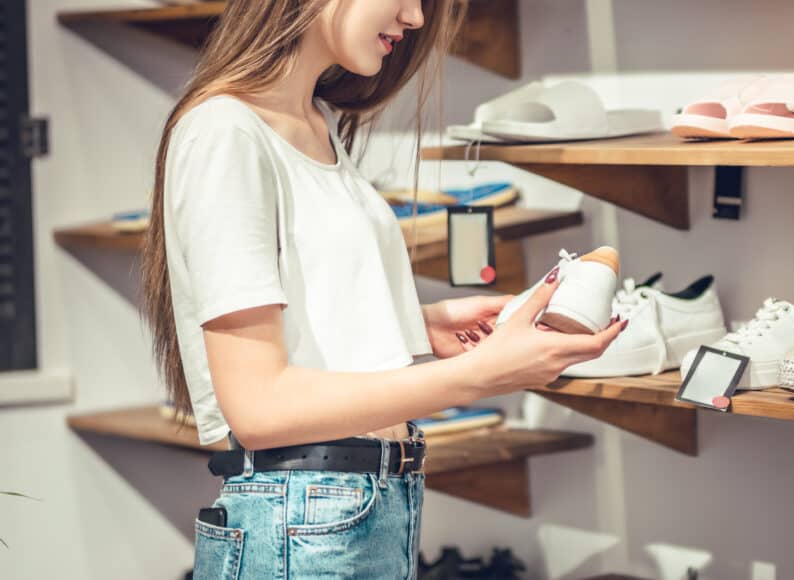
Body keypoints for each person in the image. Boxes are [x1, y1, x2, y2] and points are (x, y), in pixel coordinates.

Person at [139, 1, 626, 578]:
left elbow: (300, 318)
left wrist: (418, 325)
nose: (416, 19)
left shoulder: (313, 121)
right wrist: (483, 374)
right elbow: (259, 407)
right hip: (303, 513)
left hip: (359, 504)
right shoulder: (225, 131)